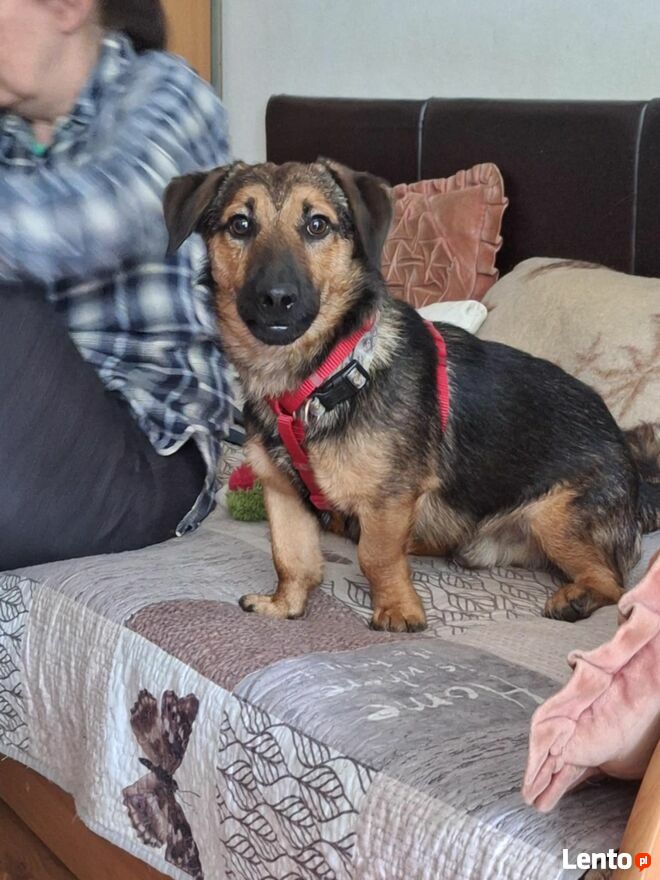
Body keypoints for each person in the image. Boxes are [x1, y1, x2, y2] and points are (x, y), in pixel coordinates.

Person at [0, 0, 232, 569]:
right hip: (29, 443)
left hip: (147, 458)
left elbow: (114, 210)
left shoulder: (168, 92)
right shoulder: (9, 138)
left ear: (67, 7)